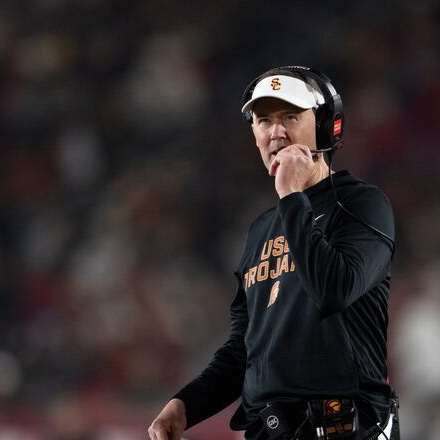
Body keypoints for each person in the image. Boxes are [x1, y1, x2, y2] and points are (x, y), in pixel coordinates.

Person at [148, 66, 398, 440]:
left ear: (327, 126)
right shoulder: (261, 230)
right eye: (264, 120)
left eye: (291, 117)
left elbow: (333, 289)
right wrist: (184, 406)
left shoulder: (362, 204)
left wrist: (292, 197)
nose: (276, 132)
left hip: (347, 427)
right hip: (270, 430)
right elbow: (244, 350)